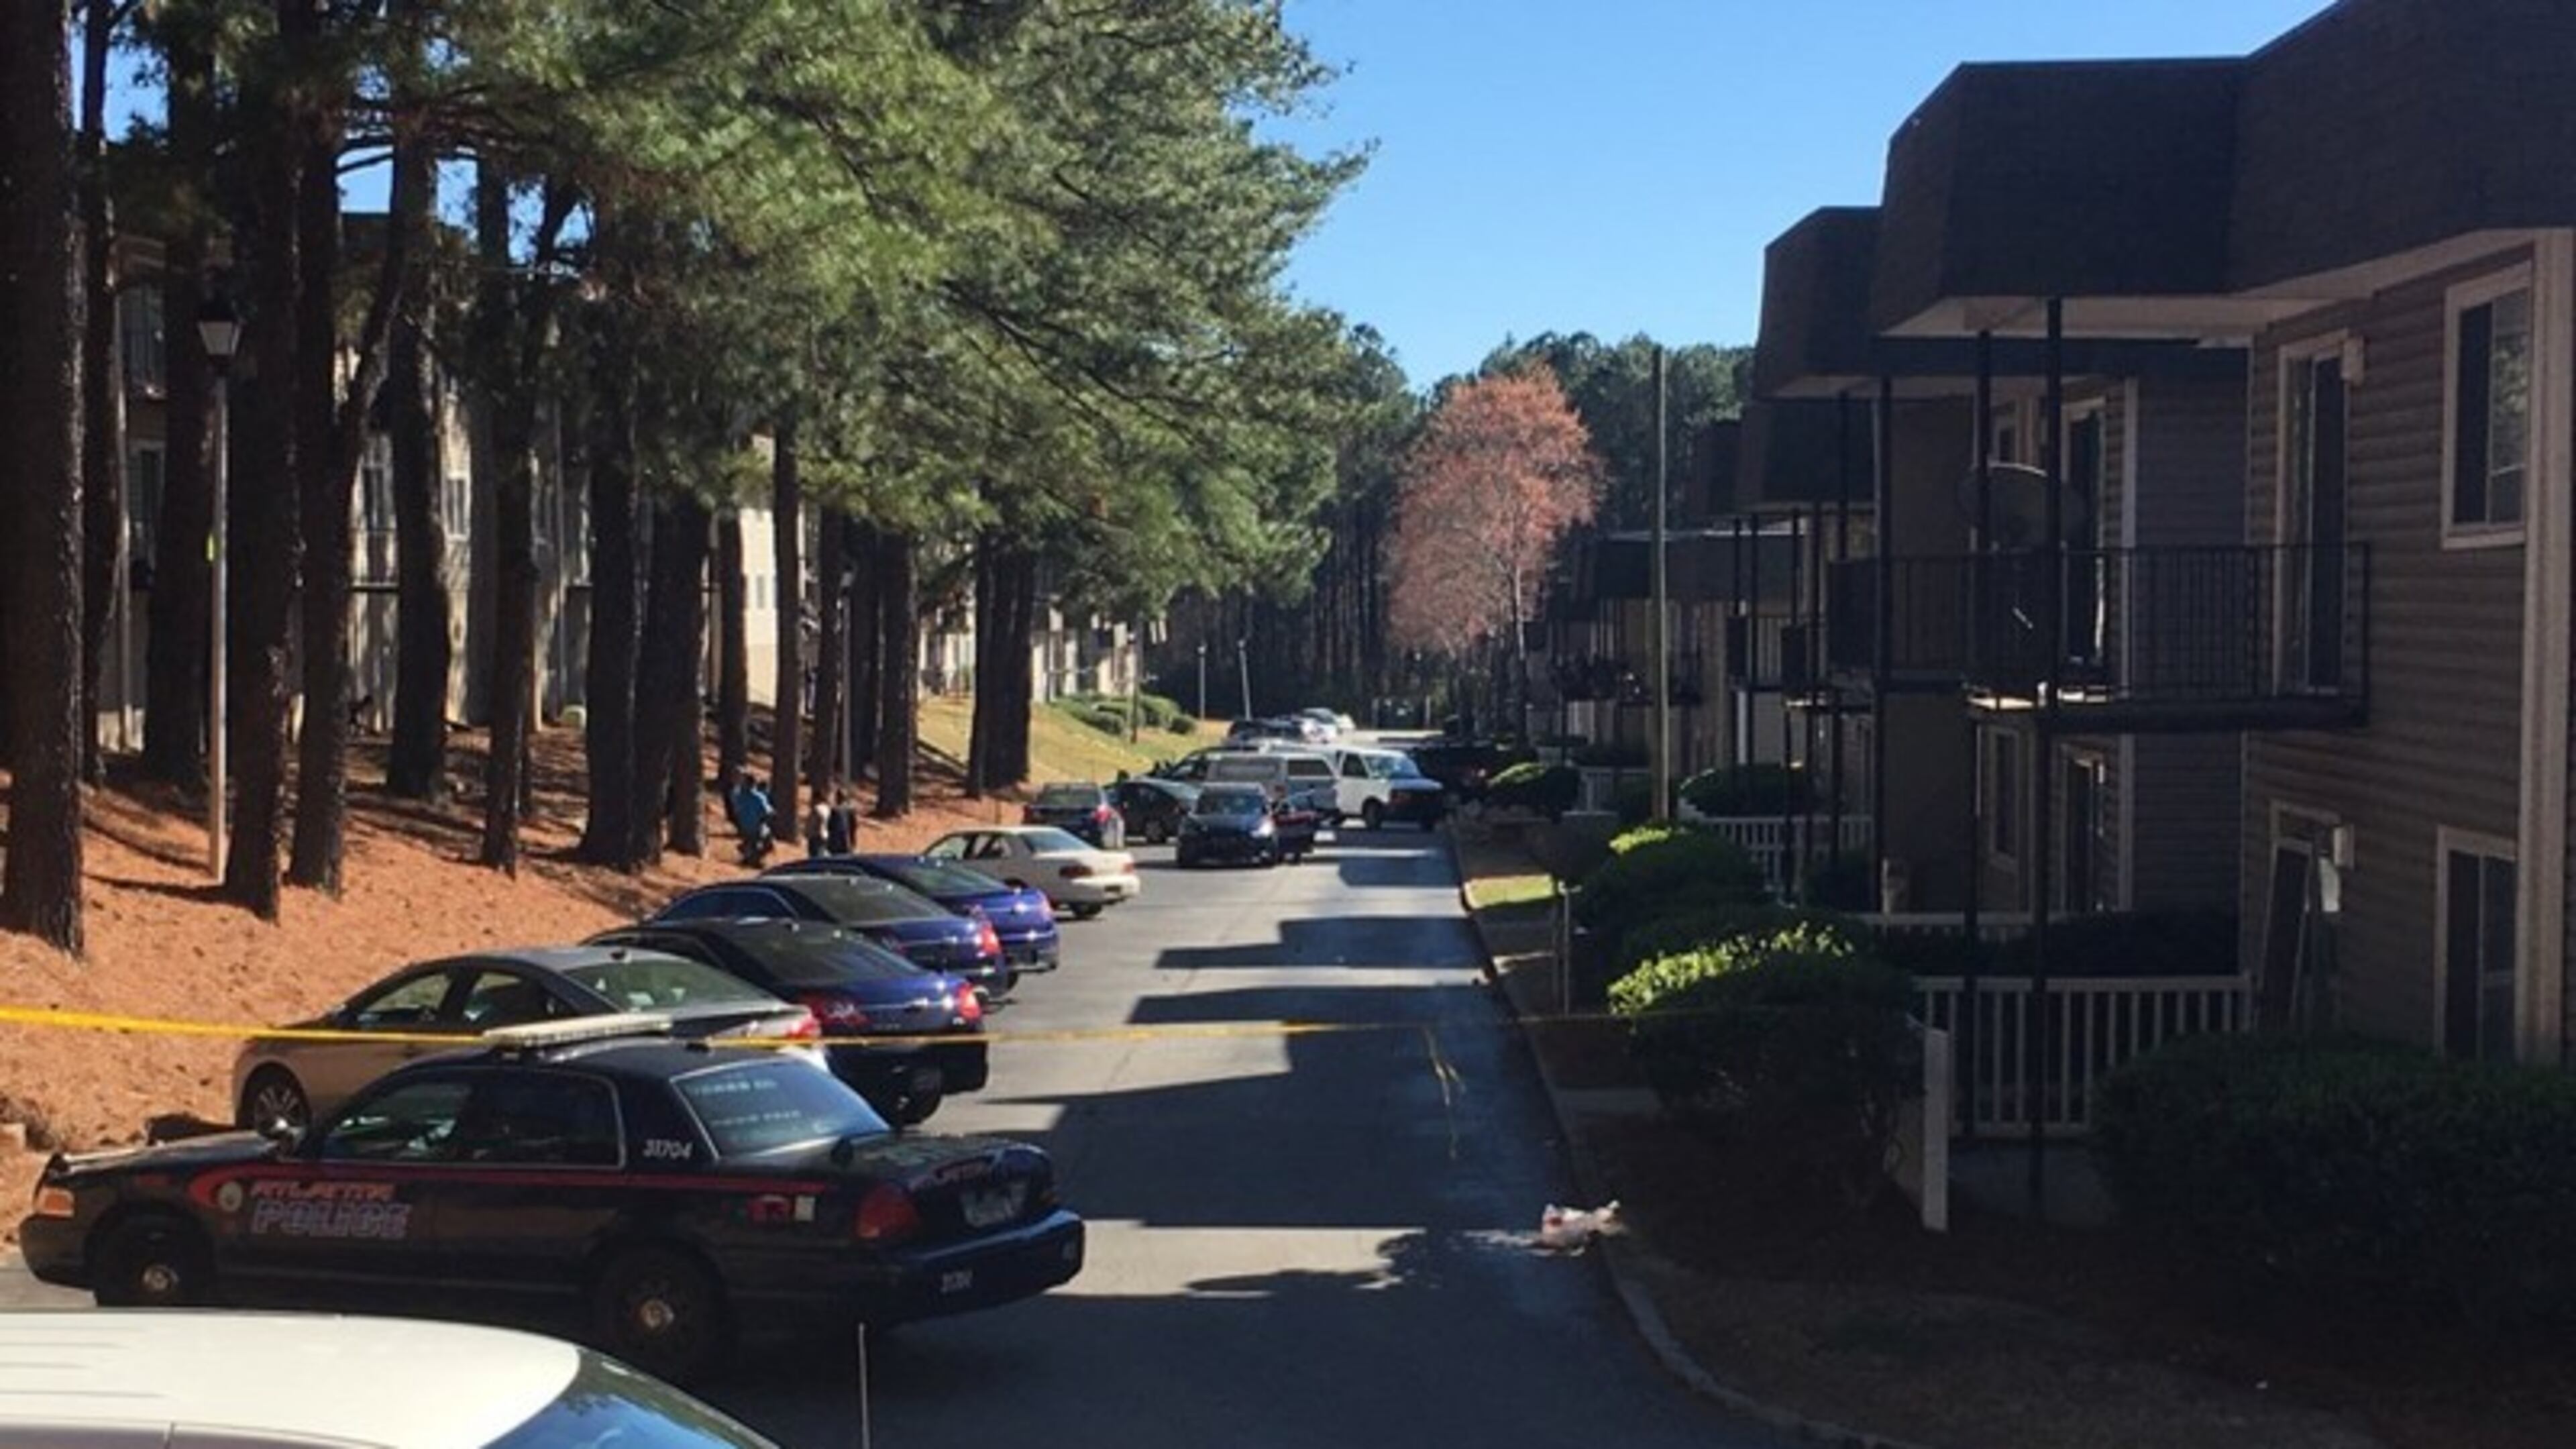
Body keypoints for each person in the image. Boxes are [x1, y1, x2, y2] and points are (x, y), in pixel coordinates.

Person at [733, 776, 775, 866]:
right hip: (757, 826)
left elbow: (736, 810)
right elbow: (767, 812)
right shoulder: (759, 797)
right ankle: (753, 858)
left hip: (743, 826)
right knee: (768, 842)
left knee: (752, 842)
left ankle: (747, 855)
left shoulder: (740, 797)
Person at [826, 789, 857, 855]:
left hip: (836, 841)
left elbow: (829, 826)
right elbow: (854, 825)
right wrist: (853, 840)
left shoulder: (835, 811)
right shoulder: (851, 810)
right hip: (847, 839)